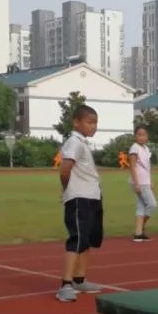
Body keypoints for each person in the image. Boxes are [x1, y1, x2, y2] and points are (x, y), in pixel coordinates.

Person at [56, 104, 105, 302]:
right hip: (80, 198)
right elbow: (65, 169)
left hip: (92, 196)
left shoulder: (83, 143)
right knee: (77, 239)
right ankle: (65, 285)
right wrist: (67, 189)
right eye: (89, 122)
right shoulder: (74, 142)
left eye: (95, 123)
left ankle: (79, 279)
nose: (93, 126)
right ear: (76, 122)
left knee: (88, 240)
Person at [128, 125, 156, 242]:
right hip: (139, 181)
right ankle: (139, 229)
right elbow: (132, 166)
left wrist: (151, 181)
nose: (142, 137)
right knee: (152, 204)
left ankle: (138, 233)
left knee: (141, 206)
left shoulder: (145, 149)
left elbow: (147, 167)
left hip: (145, 181)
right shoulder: (134, 148)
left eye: (144, 134)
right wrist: (137, 183)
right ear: (135, 136)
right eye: (139, 134)